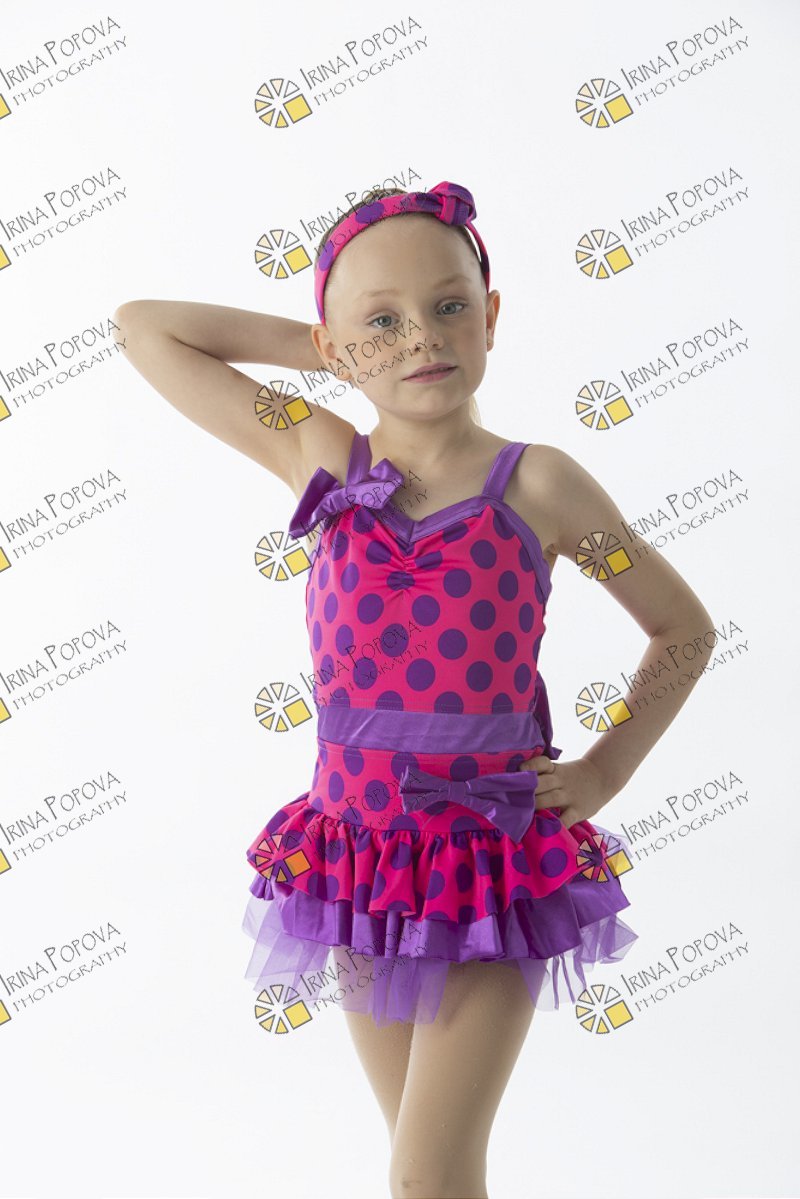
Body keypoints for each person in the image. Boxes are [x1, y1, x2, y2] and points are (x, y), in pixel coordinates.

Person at [114, 180, 713, 1199]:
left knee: (427, 1173)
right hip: (358, 862)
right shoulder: (315, 451)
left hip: (489, 863)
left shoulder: (542, 485)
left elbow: (681, 629)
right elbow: (145, 328)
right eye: (382, 322)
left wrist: (602, 772)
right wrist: (333, 353)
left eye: (446, 307)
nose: (422, 338)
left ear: (490, 316)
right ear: (336, 345)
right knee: (422, 1166)